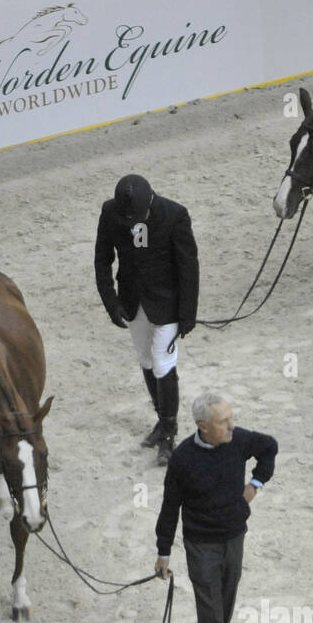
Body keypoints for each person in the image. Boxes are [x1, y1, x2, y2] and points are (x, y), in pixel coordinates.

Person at [154, 391, 277, 623]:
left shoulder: (238, 441)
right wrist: (163, 550)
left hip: (234, 537)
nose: (231, 427)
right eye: (224, 422)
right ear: (203, 427)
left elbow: (269, 447)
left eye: (231, 418)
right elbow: (170, 507)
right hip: (201, 545)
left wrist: (254, 484)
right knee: (210, 614)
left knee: (224, 601)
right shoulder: (182, 460)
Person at [94, 173, 199, 464]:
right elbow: (102, 258)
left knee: (163, 361)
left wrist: (188, 313)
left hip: (167, 304)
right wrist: (111, 302)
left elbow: (188, 265)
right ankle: (161, 420)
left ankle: (169, 432)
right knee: (145, 360)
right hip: (132, 300)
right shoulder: (110, 212)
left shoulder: (175, 215)